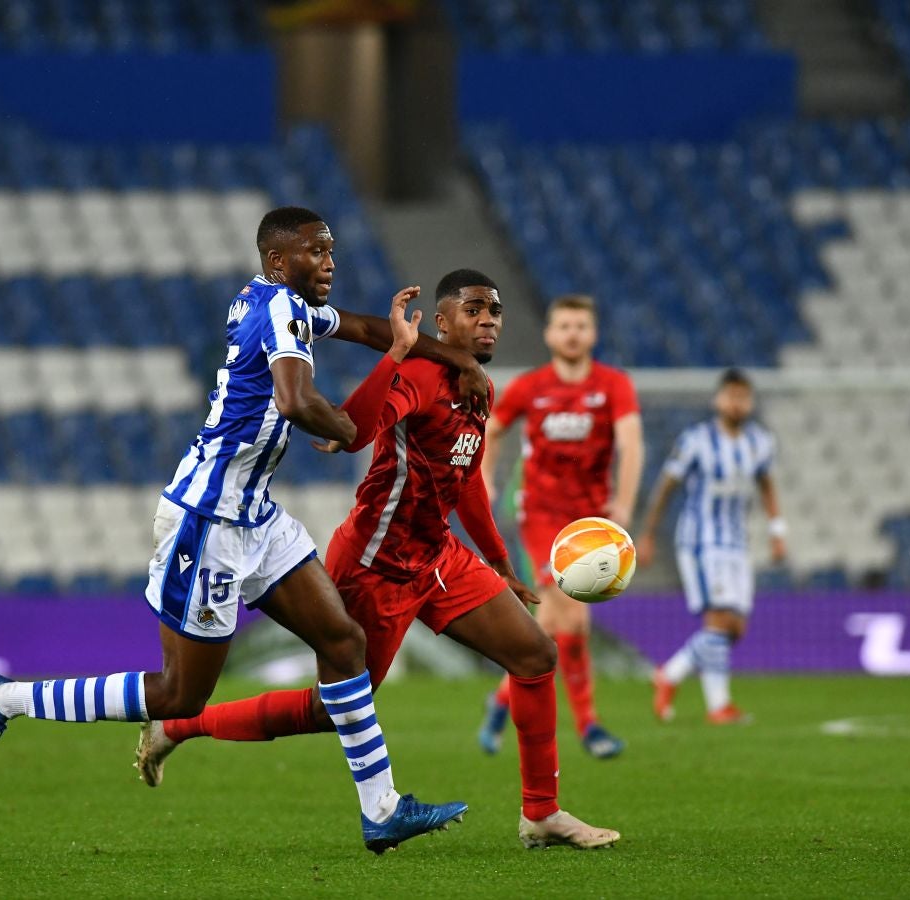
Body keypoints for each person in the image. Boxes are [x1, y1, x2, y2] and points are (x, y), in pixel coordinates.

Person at [0, 207, 489, 855]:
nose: (330, 262)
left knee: (343, 643)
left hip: (253, 513)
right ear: (276, 261)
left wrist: (459, 362)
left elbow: (370, 328)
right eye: (316, 252)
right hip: (206, 520)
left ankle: (381, 809)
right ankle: (5, 699)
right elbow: (295, 401)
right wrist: (350, 429)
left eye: (331, 251)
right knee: (180, 693)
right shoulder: (277, 312)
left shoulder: (281, 304)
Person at [136, 270, 620, 850]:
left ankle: (541, 814)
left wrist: (499, 564)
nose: (488, 319)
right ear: (441, 323)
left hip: (437, 556)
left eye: (495, 311)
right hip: (374, 563)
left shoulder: (477, 387)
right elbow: (359, 430)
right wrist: (390, 360)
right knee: (327, 709)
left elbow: (465, 483)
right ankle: (180, 724)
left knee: (535, 655)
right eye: (474, 310)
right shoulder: (419, 373)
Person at [476, 295, 643, 760]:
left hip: (592, 521)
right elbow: (491, 429)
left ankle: (501, 700)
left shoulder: (614, 385)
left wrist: (625, 505)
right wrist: (485, 480)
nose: (572, 333)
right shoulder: (532, 386)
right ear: (550, 335)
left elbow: (631, 445)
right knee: (573, 615)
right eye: (564, 325)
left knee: (551, 627)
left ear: (593, 334)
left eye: (581, 326)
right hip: (543, 518)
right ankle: (590, 726)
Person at [637, 368, 786, 724]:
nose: (737, 403)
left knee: (735, 628)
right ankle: (719, 706)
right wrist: (648, 533)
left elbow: (766, 485)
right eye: (731, 395)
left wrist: (778, 530)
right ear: (717, 399)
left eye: (743, 396)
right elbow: (666, 487)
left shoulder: (759, 442)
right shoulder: (696, 440)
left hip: (737, 541)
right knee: (719, 620)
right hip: (702, 540)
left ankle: (669, 674)